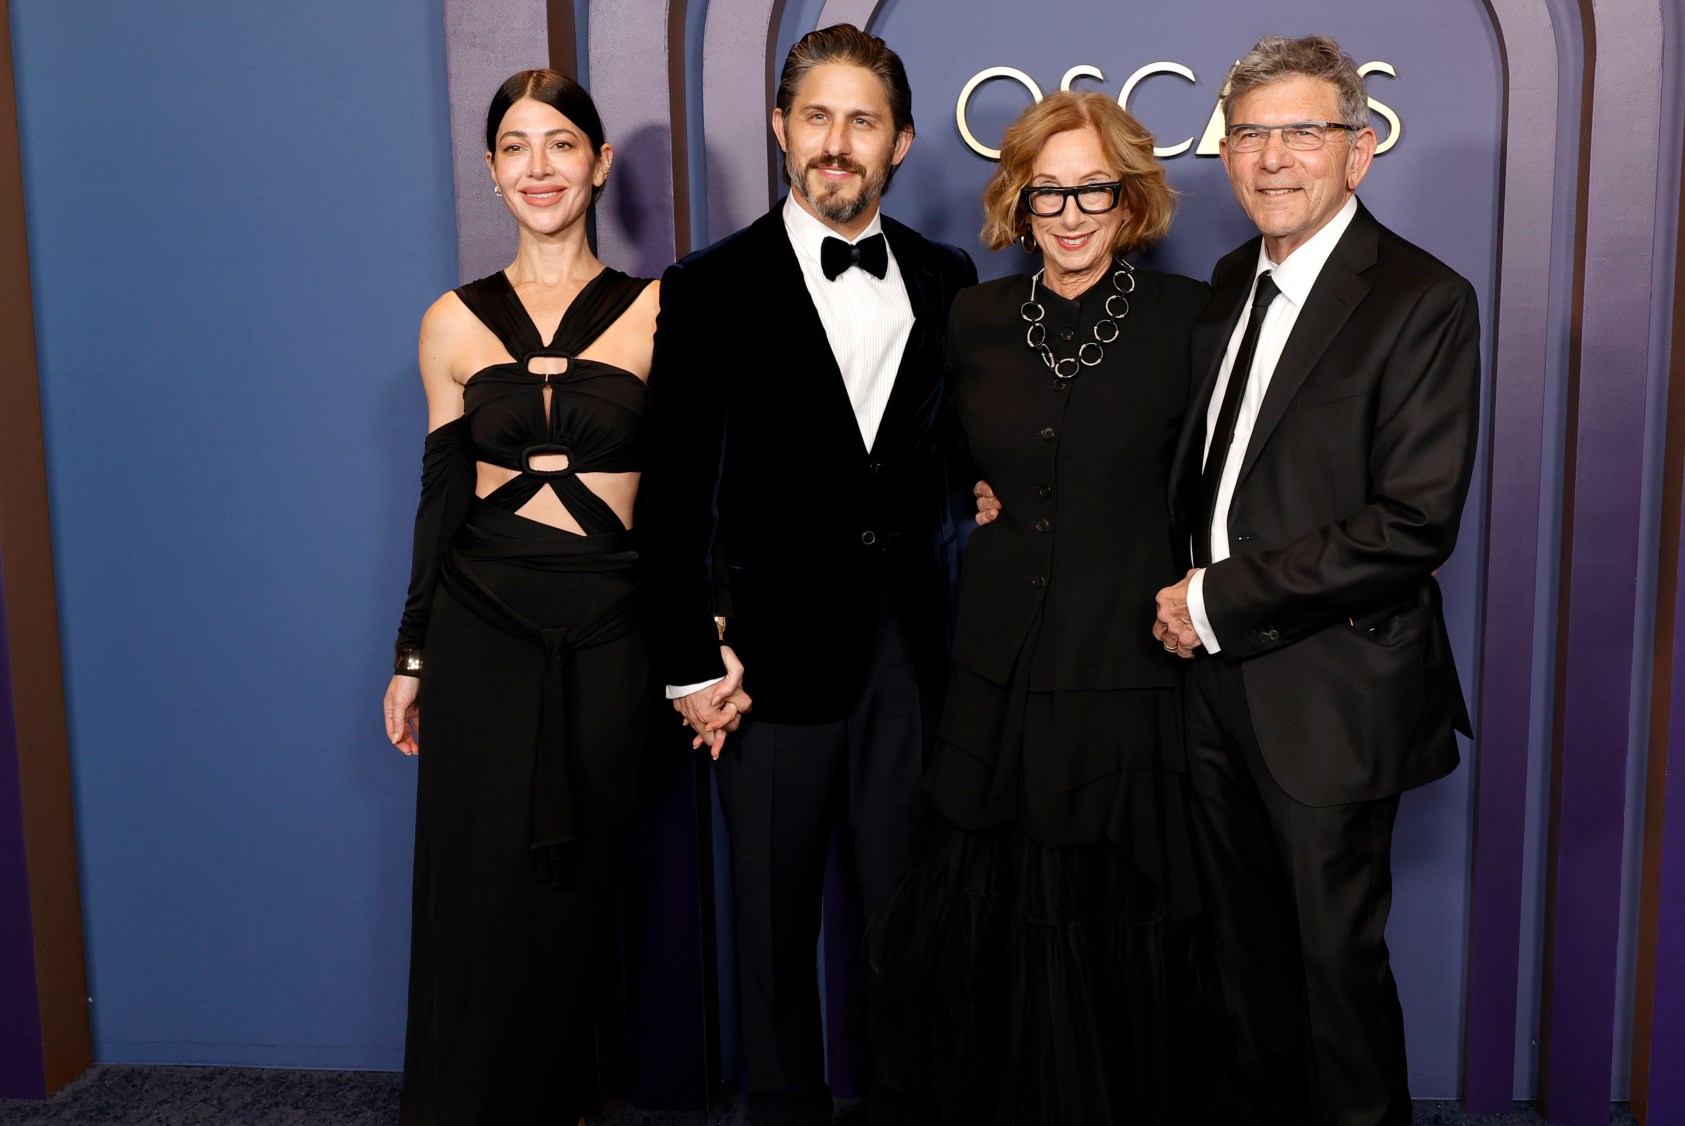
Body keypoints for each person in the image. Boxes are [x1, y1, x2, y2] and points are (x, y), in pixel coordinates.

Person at [381, 69, 737, 1126]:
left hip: (607, 630)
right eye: (517, 148)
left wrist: (707, 635)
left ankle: (563, 1101)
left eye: (560, 144)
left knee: (578, 882)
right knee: (476, 885)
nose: (539, 167)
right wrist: (410, 656)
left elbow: (692, 496)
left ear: (598, 163)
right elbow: (439, 496)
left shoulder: (663, 310)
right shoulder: (449, 323)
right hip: (478, 624)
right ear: (492, 171)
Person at [642, 24, 977, 1126]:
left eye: (863, 121)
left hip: (908, 657)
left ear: (903, 141)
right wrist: (691, 658)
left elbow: (954, 459)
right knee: (774, 932)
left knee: (902, 925)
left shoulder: (945, 275)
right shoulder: (707, 285)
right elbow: (674, 493)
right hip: (767, 663)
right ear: (783, 129)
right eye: (818, 117)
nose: (838, 143)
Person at [1151, 35, 1480, 1126]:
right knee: (1237, 966)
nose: (1272, 157)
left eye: (1302, 131)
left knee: (1332, 975)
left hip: (1331, 690)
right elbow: (1207, 474)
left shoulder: (1421, 300)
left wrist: (1212, 596)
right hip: (1212, 689)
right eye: (1249, 133)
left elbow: (1409, 524)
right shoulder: (1225, 286)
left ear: (1358, 150)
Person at [865, 91, 1212, 1126]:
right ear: (1016, 197)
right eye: (1044, 189)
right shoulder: (970, 317)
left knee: (1110, 909)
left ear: (1129, 198)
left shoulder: (1190, 318)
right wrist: (966, 492)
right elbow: (927, 456)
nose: (1066, 212)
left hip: (1124, 663)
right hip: (997, 666)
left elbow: (1223, 480)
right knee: (991, 906)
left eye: (1090, 189)